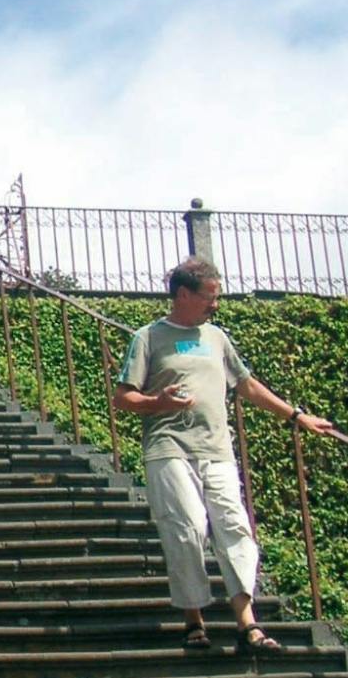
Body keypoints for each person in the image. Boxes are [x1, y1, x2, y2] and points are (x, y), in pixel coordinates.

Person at [112, 257, 334, 652]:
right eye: (209, 297)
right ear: (183, 294)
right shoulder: (149, 337)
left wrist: (297, 416)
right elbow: (123, 398)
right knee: (189, 527)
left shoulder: (217, 338)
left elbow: (246, 385)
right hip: (169, 449)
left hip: (217, 449)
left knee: (235, 528)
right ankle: (193, 618)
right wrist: (157, 402)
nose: (216, 304)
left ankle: (247, 622)